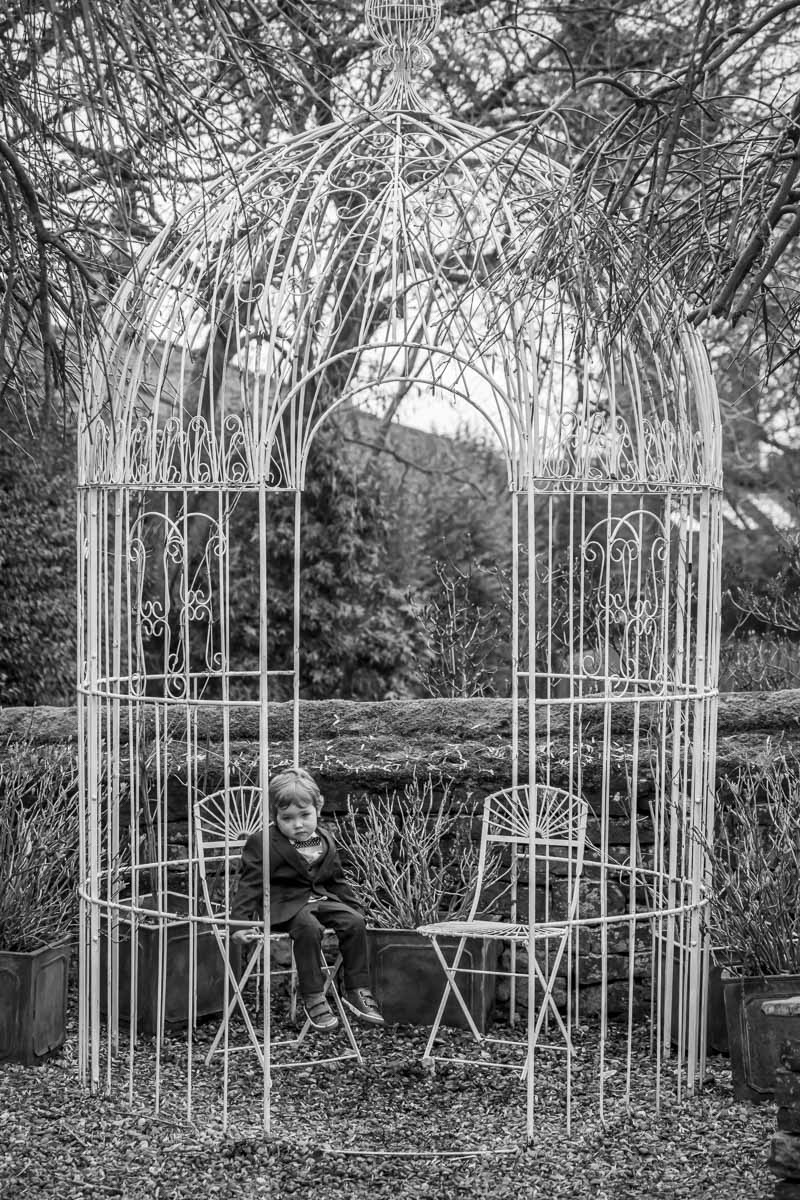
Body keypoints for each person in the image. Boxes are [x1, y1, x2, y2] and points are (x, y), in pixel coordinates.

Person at [230, 766, 384, 1033]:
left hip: (320, 899)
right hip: (284, 907)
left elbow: (335, 879)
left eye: (305, 815)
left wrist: (354, 906)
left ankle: (357, 988)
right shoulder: (263, 842)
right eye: (287, 818)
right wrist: (239, 924)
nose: (298, 824)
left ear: (318, 808)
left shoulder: (323, 839)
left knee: (355, 922)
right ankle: (313, 996)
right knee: (308, 928)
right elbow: (249, 884)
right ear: (275, 816)